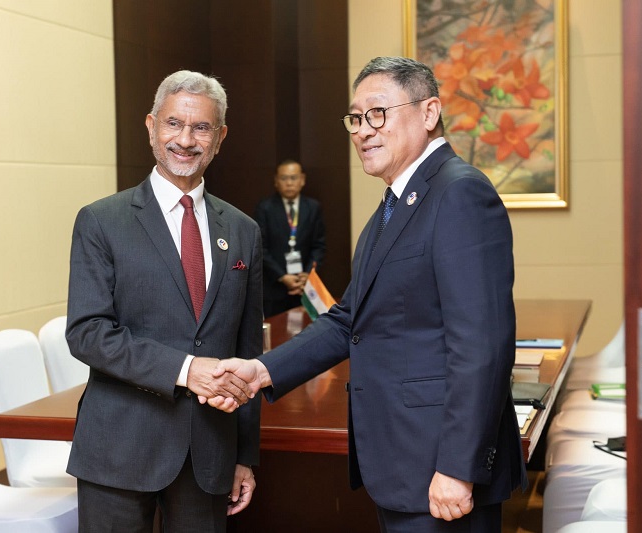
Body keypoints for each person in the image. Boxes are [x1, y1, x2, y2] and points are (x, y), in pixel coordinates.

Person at [210, 56, 527, 532]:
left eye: (377, 113)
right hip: (402, 463)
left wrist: (459, 468)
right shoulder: (394, 206)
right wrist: (261, 370)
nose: (362, 130)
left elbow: (482, 346)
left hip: (441, 470)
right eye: (355, 118)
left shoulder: (459, 194)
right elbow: (347, 320)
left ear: (428, 112)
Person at [65, 70, 262, 532]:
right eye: (174, 124)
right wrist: (185, 370)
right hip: (119, 449)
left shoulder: (243, 231)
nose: (186, 140)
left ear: (220, 137)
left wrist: (244, 456)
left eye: (201, 128)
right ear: (151, 126)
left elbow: (247, 352)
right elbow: (87, 333)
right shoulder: (101, 221)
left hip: (209, 456)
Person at [254, 159, 326, 317]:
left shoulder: (313, 207)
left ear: (302, 180)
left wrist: (307, 274)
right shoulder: (265, 208)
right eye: (284, 178)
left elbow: (318, 246)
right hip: (275, 286)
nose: (289, 183)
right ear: (276, 181)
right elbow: (260, 248)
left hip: (305, 285)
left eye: (293, 178)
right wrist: (282, 276)